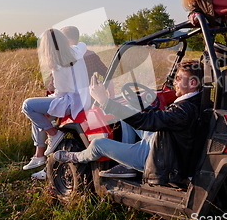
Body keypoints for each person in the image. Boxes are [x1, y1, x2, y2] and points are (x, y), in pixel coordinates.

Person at [53, 60, 203, 185]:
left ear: (192, 82)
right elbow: (155, 120)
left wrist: (104, 101)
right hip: (163, 141)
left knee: (98, 144)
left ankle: (76, 157)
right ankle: (126, 164)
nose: (174, 82)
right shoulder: (198, 100)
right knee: (128, 109)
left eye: (178, 78)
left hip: (156, 156)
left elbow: (143, 120)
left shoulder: (182, 112)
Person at [31, 25, 112, 180]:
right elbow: (107, 74)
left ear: (65, 39)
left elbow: (54, 87)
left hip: (70, 102)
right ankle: (46, 159)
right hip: (88, 101)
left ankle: (47, 164)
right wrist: (107, 99)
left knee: (43, 121)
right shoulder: (88, 53)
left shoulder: (62, 58)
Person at [21, 29, 90, 176]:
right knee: (39, 117)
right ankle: (39, 156)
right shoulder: (77, 50)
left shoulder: (58, 64)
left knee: (28, 105)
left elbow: (61, 93)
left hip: (71, 102)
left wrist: (51, 92)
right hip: (84, 98)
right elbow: (82, 44)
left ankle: (53, 134)